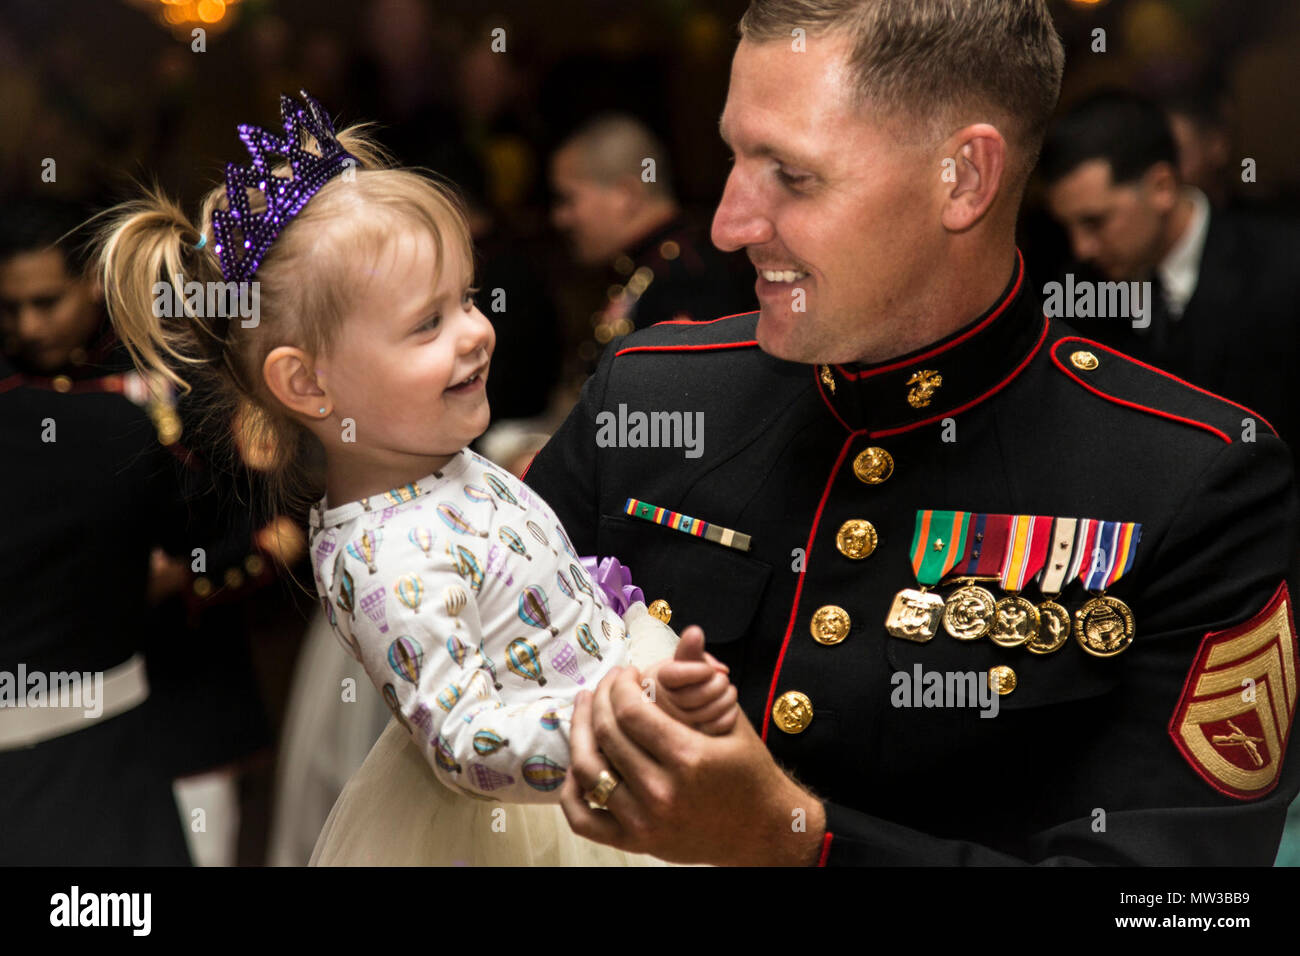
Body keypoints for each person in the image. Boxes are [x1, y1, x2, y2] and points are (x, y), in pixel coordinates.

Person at [523, 0, 1300, 865]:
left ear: (963, 179)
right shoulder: (651, 395)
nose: (728, 224)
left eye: (792, 173)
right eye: (736, 156)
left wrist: (801, 844)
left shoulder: (1193, 483)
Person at [96, 91, 739, 866]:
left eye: (465, 298)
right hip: (553, 822)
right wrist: (609, 735)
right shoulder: (386, 556)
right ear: (308, 386)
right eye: (427, 323)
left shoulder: (445, 467)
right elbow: (464, 741)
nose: (477, 331)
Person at [1039, 90, 1300, 472]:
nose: (1081, 248)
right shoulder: (1079, 292)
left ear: (1162, 186)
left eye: (1095, 222)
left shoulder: (1283, 270)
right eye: (1069, 227)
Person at [550, 113, 755, 342]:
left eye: (568, 200)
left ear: (625, 195)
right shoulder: (645, 266)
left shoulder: (683, 278)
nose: (560, 218)